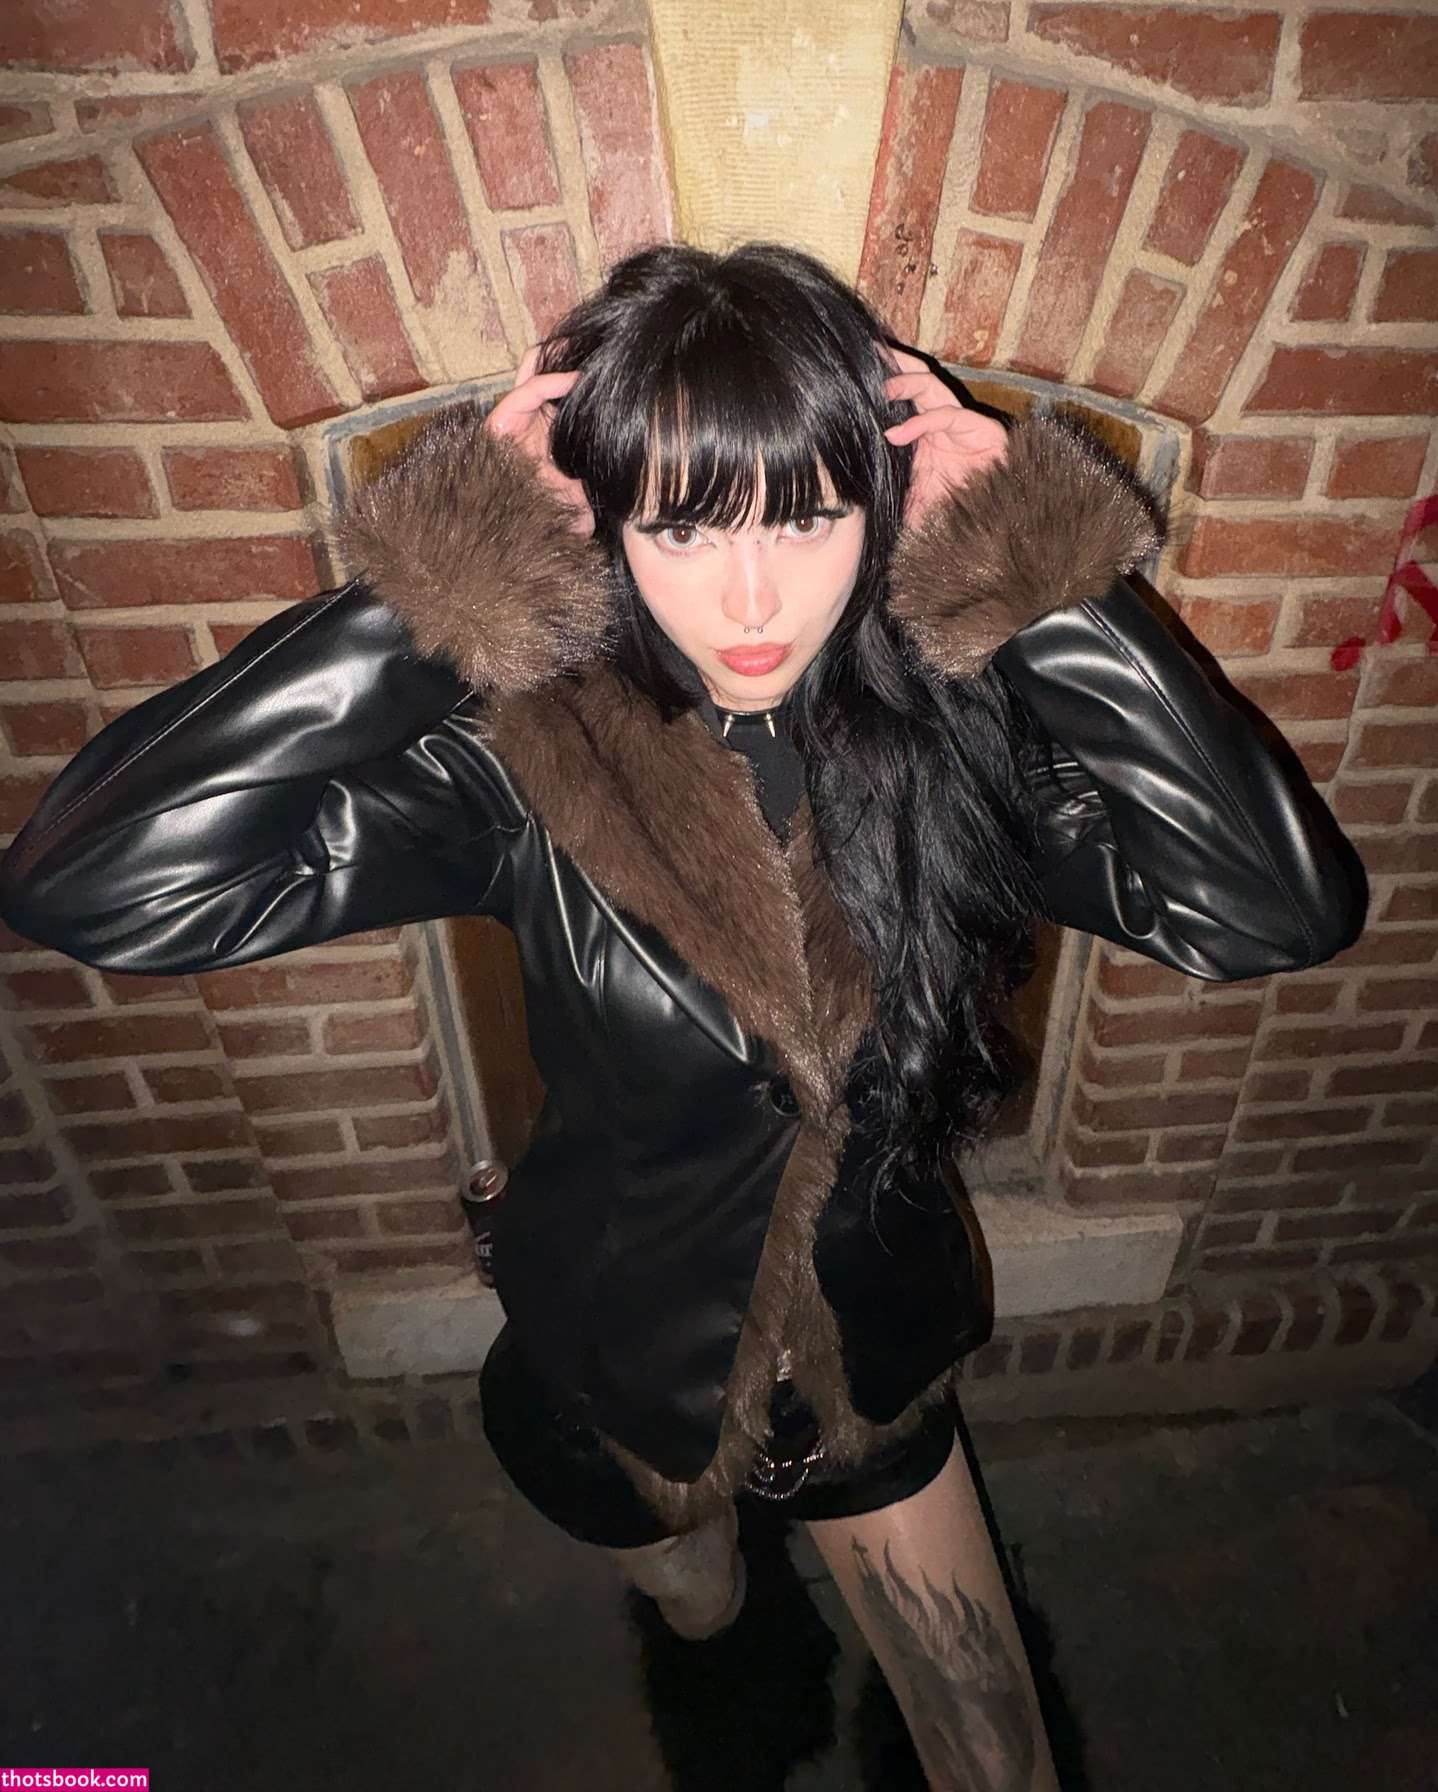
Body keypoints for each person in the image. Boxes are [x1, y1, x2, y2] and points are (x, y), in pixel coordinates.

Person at [0, 241, 1362, 1787]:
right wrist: (432, 588)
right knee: (702, 1612)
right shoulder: (528, 759)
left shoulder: (968, 737)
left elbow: (1270, 912)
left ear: (884, 508)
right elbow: (92, 885)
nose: (752, 598)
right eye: (683, 527)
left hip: (863, 1366)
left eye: (805, 516)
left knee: (998, 1756)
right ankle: (721, 1643)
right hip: (606, 1374)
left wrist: (1047, 582)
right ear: (602, 526)